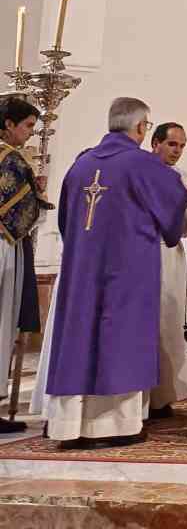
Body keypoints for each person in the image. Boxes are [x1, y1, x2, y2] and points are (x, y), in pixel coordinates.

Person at [45, 97, 187, 449]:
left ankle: (70, 425)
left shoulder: (80, 166)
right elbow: (174, 211)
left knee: (81, 337)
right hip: (127, 273)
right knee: (120, 339)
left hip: (82, 271)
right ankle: (117, 425)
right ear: (141, 128)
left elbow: (67, 222)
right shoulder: (142, 164)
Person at [150, 122, 187, 418]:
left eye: (182, 146)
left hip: (171, 255)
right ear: (155, 143)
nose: (177, 151)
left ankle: (165, 395)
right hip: (147, 250)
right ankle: (145, 394)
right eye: (172, 144)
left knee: (169, 324)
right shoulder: (143, 173)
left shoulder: (182, 178)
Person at [0, 98, 51, 433]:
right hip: (4, 247)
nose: (30, 134)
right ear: (8, 124)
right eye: (28, 126)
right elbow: (22, 212)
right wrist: (39, 194)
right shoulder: (12, 160)